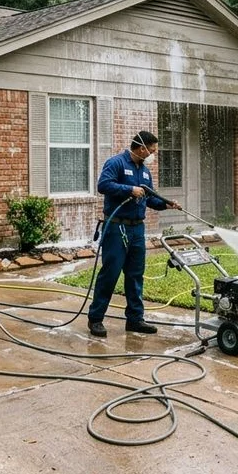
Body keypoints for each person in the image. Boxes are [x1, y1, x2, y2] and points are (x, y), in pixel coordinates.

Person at [87, 131, 181, 337]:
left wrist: (166, 204)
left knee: (135, 275)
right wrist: (129, 189)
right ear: (142, 148)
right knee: (110, 274)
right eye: (152, 150)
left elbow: (150, 200)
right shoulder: (116, 163)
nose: (152, 154)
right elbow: (103, 185)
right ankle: (95, 319)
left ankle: (135, 319)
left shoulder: (145, 172)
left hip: (138, 228)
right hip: (116, 227)